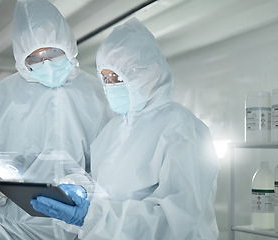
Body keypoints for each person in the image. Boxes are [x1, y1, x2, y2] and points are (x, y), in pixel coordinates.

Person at [31, 18, 219, 239]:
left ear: (152, 72)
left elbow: (176, 221)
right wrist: (79, 191)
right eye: (105, 78)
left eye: (118, 77)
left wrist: (91, 216)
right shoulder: (112, 130)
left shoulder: (182, 129)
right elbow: (106, 190)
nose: (110, 86)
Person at [0, 0, 111, 239]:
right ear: (21, 59)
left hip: (85, 231)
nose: (46, 63)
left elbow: (121, 165)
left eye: (53, 52)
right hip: (14, 233)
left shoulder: (100, 95)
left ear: (67, 45)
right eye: (34, 58)